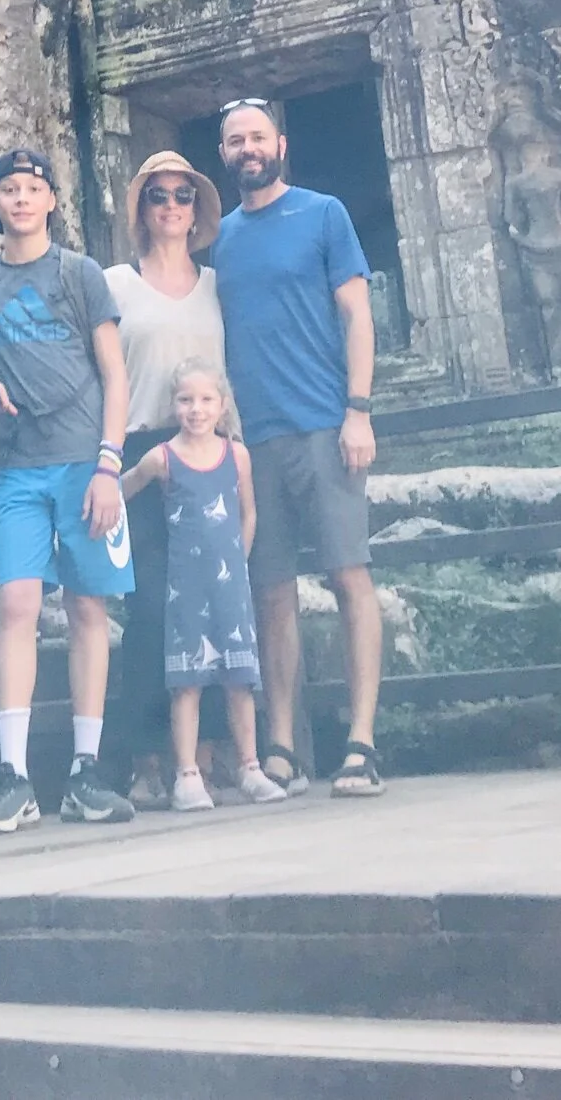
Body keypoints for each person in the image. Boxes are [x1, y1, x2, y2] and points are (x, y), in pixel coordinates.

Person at [0, 145, 137, 835]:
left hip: (84, 464)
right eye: (8, 189)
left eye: (32, 188)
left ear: (51, 201)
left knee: (86, 608)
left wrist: (110, 465)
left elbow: (115, 374)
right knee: (16, 601)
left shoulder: (79, 276)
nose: (20, 199)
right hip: (16, 468)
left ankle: (85, 770)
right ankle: (12, 776)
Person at [212, 98, 383, 798]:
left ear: (279, 143)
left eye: (256, 136)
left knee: (348, 577)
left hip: (322, 422)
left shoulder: (322, 214)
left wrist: (358, 410)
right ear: (222, 154)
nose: (247, 149)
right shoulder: (216, 239)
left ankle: (361, 742)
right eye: (233, 141)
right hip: (253, 439)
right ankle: (281, 746)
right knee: (270, 592)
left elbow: (357, 314)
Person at [102, 150, 225, 805]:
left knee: (205, 608)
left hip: (210, 453)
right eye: (158, 195)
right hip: (143, 452)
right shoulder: (114, 285)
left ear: (196, 208)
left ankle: (203, 755)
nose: (171, 205)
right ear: (141, 209)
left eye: (182, 194)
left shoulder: (217, 286)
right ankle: (145, 759)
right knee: (147, 609)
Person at [121, 358, 287, 811]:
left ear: (222, 405)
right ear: (173, 405)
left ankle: (250, 766)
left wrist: (239, 554)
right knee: (186, 680)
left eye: (206, 400)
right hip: (184, 586)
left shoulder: (237, 455)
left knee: (238, 677)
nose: (196, 409)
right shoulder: (163, 458)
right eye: (186, 400)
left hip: (229, 584)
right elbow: (122, 489)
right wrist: (119, 482)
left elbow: (248, 510)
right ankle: (187, 774)